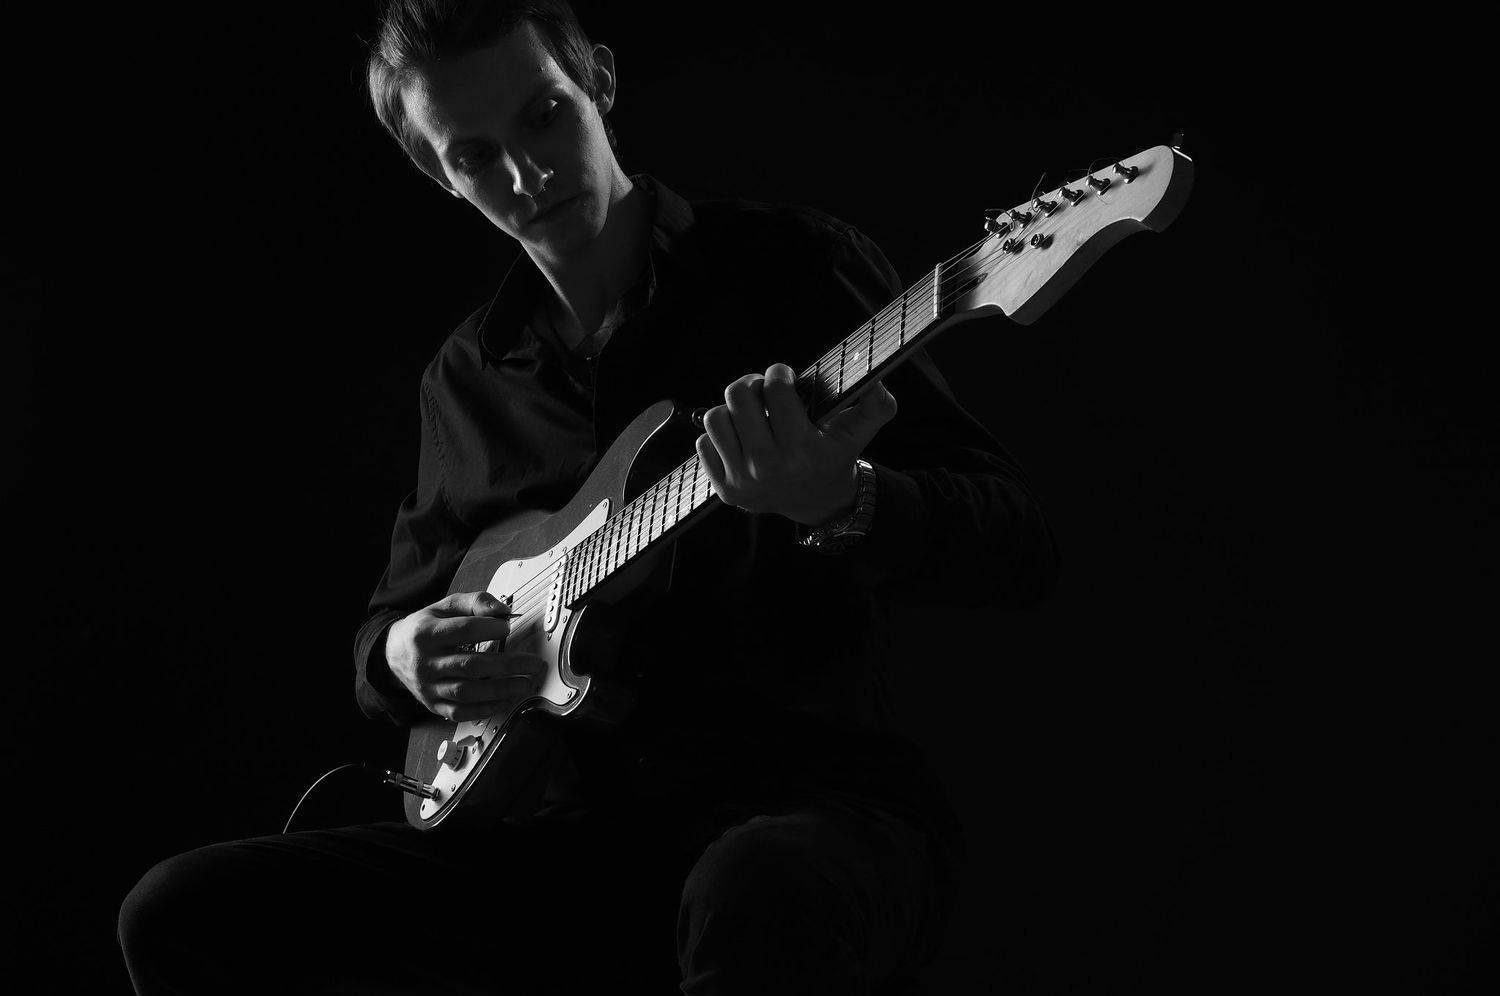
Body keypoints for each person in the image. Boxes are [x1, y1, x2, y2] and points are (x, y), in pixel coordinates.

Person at [118, 2, 1059, 992]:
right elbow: (390, 627)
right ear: (438, 172)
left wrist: (841, 501)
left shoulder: (793, 266)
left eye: (544, 115)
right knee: (182, 911)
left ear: (599, 80)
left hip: (805, 804)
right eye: (475, 155)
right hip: (559, 843)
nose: (527, 174)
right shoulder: (467, 381)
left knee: (757, 888)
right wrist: (402, 655)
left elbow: (1019, 543)